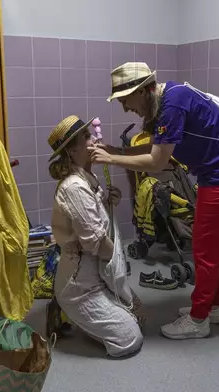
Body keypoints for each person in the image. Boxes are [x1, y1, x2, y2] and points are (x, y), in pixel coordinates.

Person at [89, 62, 219, 340]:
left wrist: (111, 158)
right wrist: (117, 149)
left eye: (126, 101)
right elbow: (157, 146)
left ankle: (199, 320)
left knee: (204, 250)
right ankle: (212, 307)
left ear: (142, 91)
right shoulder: (171, 97)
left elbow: (156, 161)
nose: (126, 109)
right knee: (209, 246)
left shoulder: (172, 105)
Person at [48, 115, 144, 358]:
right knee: (130, 338)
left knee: (137, 315)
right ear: (72, 150)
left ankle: (76, 313)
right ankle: (66, 308)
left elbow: (92, 218)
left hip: (97, 276)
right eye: (87, 137)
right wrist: (121, 284)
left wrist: (106, 200)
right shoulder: (74, 187)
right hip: (81, 287)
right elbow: (98, 244)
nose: (94, 140)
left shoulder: (87, 179)